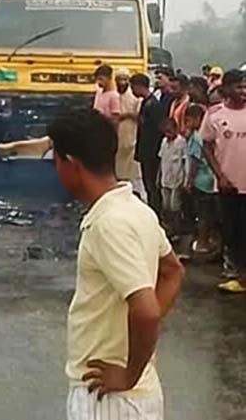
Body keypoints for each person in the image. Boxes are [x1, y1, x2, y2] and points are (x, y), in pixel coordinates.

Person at [48, 110, 183, 420]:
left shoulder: (109, 224)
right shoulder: (135, 208)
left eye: (56, 160)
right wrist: (132, 340)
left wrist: (127, 374)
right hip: (131, 394)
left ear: (71, 164)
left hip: (110, 399)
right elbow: (173, 271)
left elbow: (146, 311)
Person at [201, 69, 246, 293]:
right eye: (239, 87)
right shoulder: (215, 114)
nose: (243, 90)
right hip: (228, 186)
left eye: (245, 86)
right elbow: (207, 145)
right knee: (232, 231)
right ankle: (239, 274)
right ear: (226, 89)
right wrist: (220, 175)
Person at [185, 103, 218, 257]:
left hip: (202, 182)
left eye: (189, 120)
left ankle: (202, 242)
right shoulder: (207, 136)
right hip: (211, 181)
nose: (187, 124)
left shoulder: (197, 137)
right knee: (209, 214)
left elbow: (195, 162)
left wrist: (189, 181)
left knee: (203, 214)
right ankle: (209, 240)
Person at [132, 73, 164, 215]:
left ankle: (156, 212)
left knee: (152, 185)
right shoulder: (146, 103)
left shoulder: (153, 105)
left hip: (151, 152)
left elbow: (158, 129)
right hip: (146, 151)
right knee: (148, 184)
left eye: (133, 87)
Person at [114, 69, 143, 198]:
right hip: (115, 135)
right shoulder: (113, 95)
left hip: (131, 135)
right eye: (120, 79)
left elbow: (139, 116)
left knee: (131, 168)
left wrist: (127, 115)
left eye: (125, 79)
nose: (122, 82)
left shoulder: (134, 97)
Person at [158, 118, 187, 233]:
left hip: (177, 178)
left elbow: (185, 161)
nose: (168, 134)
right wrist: (159, 176)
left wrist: (185, 179)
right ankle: (169, 228)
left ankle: (177, 229)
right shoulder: (164, 142)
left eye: (170, 131)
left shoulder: (181, 142)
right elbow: (161, 160)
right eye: (166, 132)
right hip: (165, 178)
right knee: (166, 206)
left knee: (175, 205)